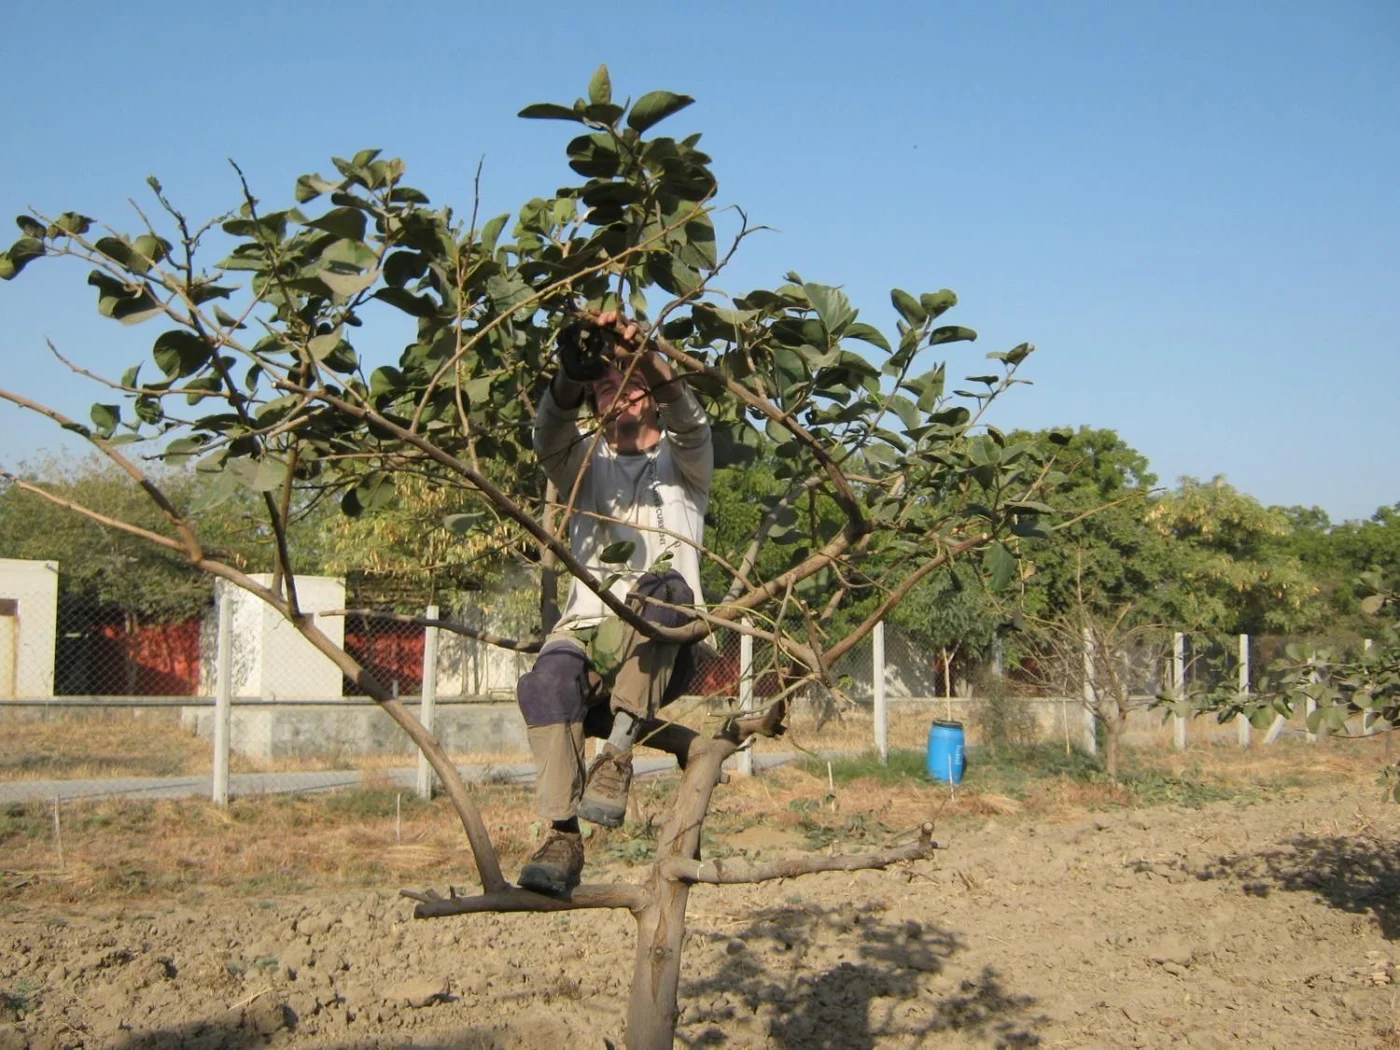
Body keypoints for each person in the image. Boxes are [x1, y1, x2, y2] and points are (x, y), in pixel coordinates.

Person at [515, 311, 712, 895]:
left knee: (664, 589)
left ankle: (618, 754)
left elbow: (690, 419)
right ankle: (561, 835)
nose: (615, 391)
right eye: (604, 385)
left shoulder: (685, 466)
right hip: (588, 633)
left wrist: (645, 351)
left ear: (650, 394)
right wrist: (567, 380)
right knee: (546, 680)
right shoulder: (582, 465)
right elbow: (548, 435)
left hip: (665, 641)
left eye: (628, 382)